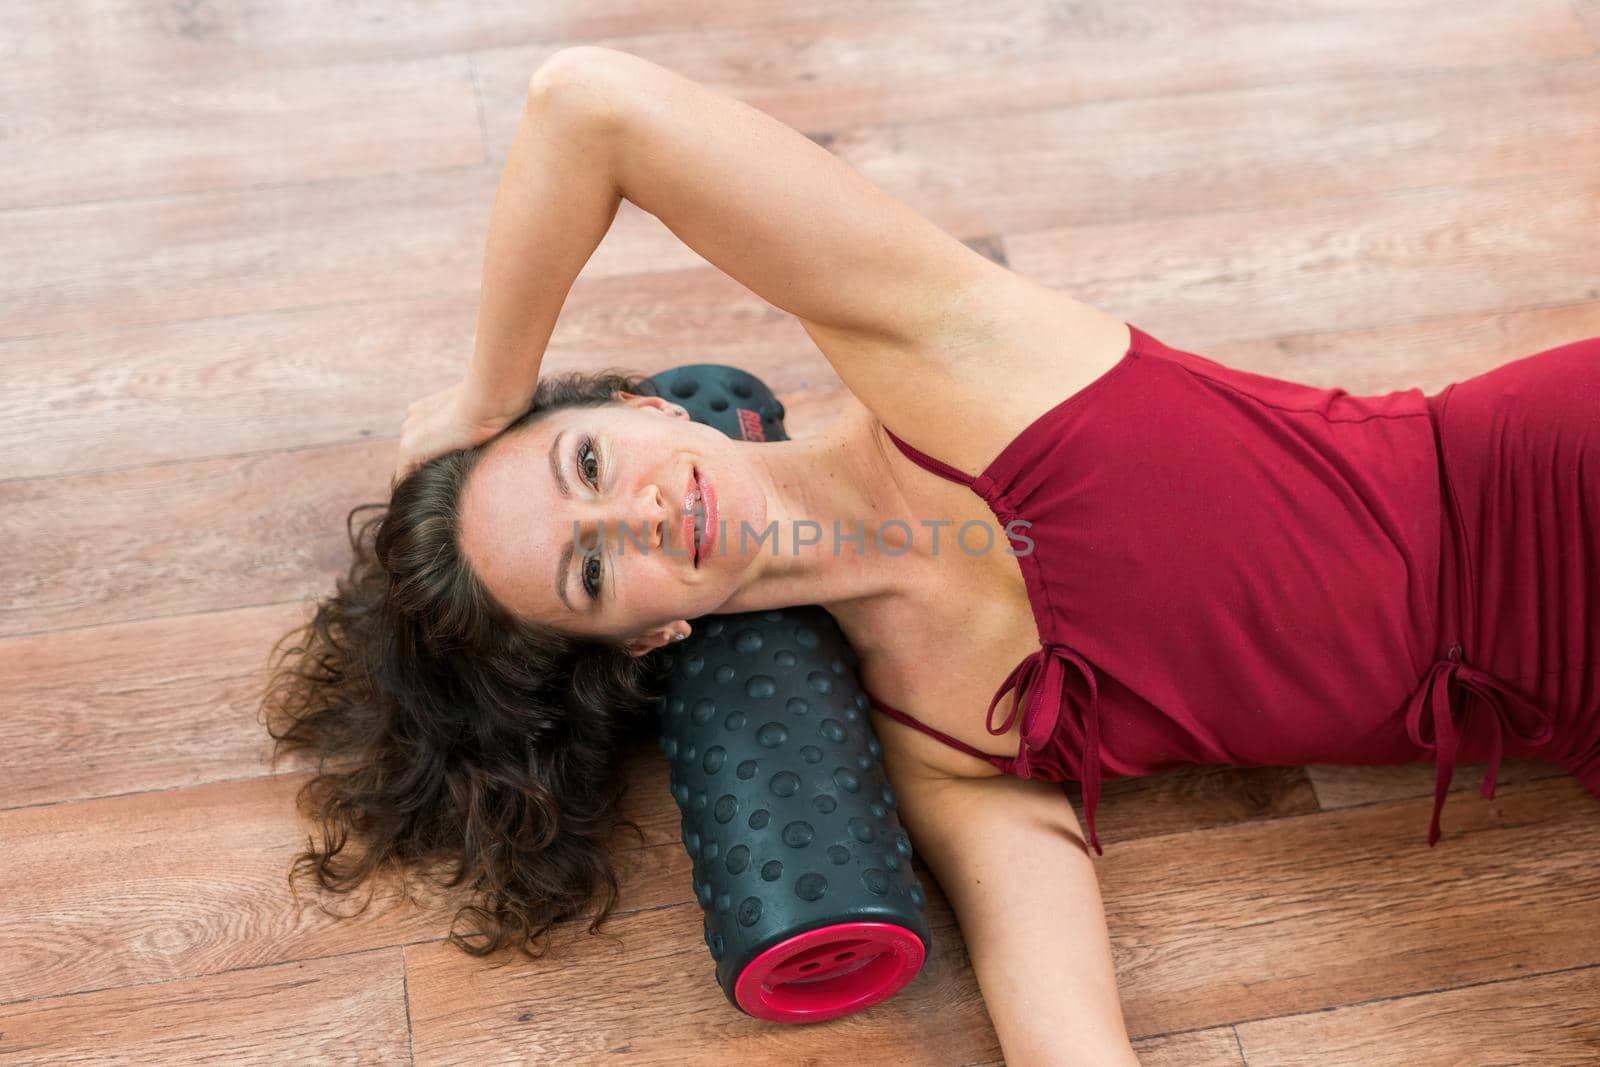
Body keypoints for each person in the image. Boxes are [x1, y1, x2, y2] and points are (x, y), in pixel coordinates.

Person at [263, 45, 1597, 1066]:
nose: (644, 516)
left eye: (591, 467)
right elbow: (1069, 1029)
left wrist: (488, 405)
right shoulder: (945, 748)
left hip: (1552, 477)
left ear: (646, 407)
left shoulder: (947, 353)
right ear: (644, 638)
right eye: (595, 572)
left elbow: (587, 100)